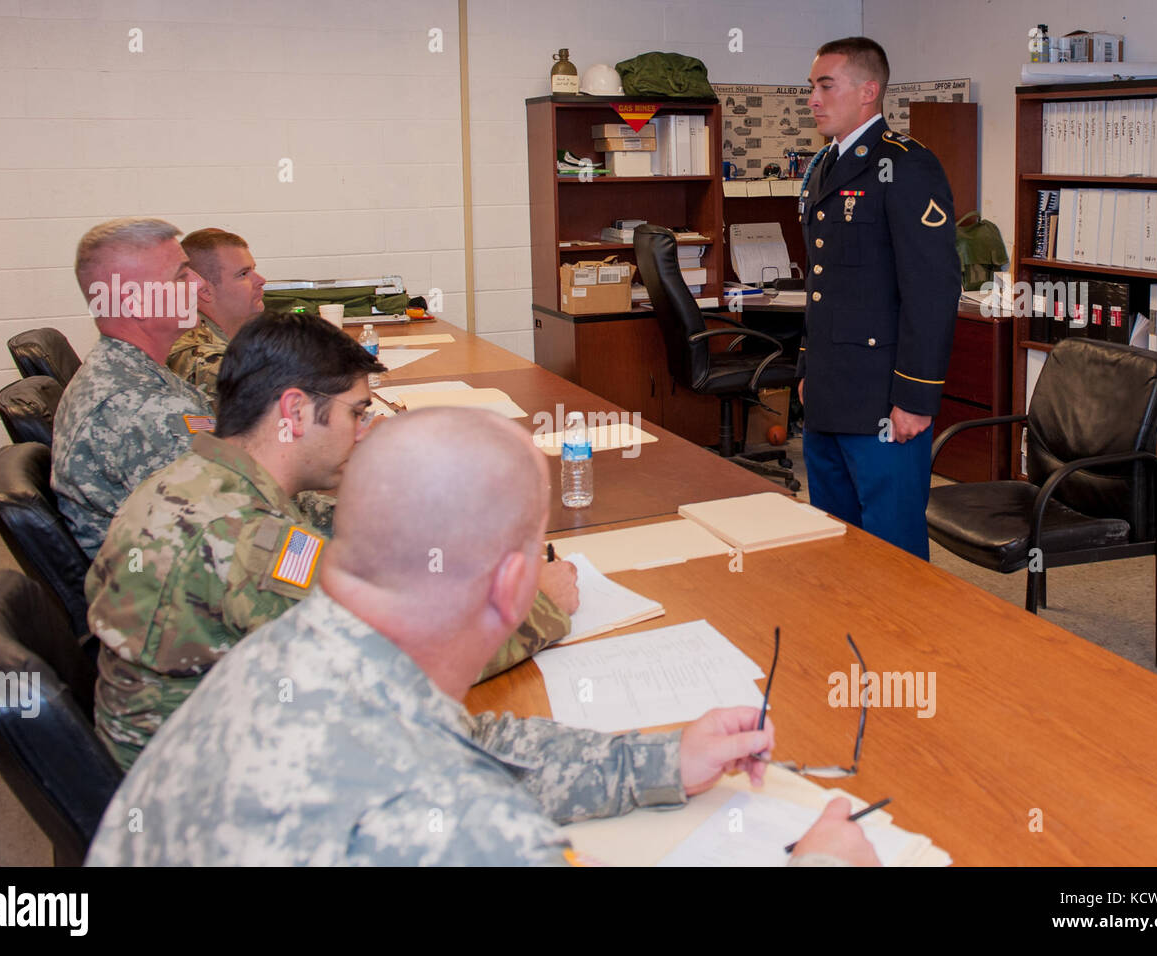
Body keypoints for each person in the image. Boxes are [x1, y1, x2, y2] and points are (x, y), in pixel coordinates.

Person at [85, 407, 878, 867]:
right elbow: (450, 787)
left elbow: (466, 743)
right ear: (510, 585)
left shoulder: (286, 651)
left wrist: (658, 762)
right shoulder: (463, 828)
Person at [87, 312, 580, 771]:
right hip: (212, 796)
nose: (365, 434)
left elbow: (335, 529)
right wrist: (540, 606)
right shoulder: (247, 544)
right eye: (357, 414)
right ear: (296, 412)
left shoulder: (204, 477)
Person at [795, 37, 961, 560]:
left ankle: (906, 645)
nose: (813, 99)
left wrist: (915, 398)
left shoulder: (907, 165)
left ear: (869, 91)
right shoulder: (824, 164)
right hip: (827, 394)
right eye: (812, 87)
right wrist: (805, 370)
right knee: (836, 542)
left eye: (826, 85)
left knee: (892, 551)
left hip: (884, 401)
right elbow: (823, 287)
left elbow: (932, 290)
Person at [52, 218, 215, 558]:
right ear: (136, 302)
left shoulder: (132, 370)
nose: (200, 284)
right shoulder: (140, 407)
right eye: (183, 275)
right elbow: (228, 541)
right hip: (177, 597)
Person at [166, 228, 267, 404]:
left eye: (254, 270)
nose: (261, 280)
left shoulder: (240, 337)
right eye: (243, 274)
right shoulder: (201, 358)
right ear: (205, 291)